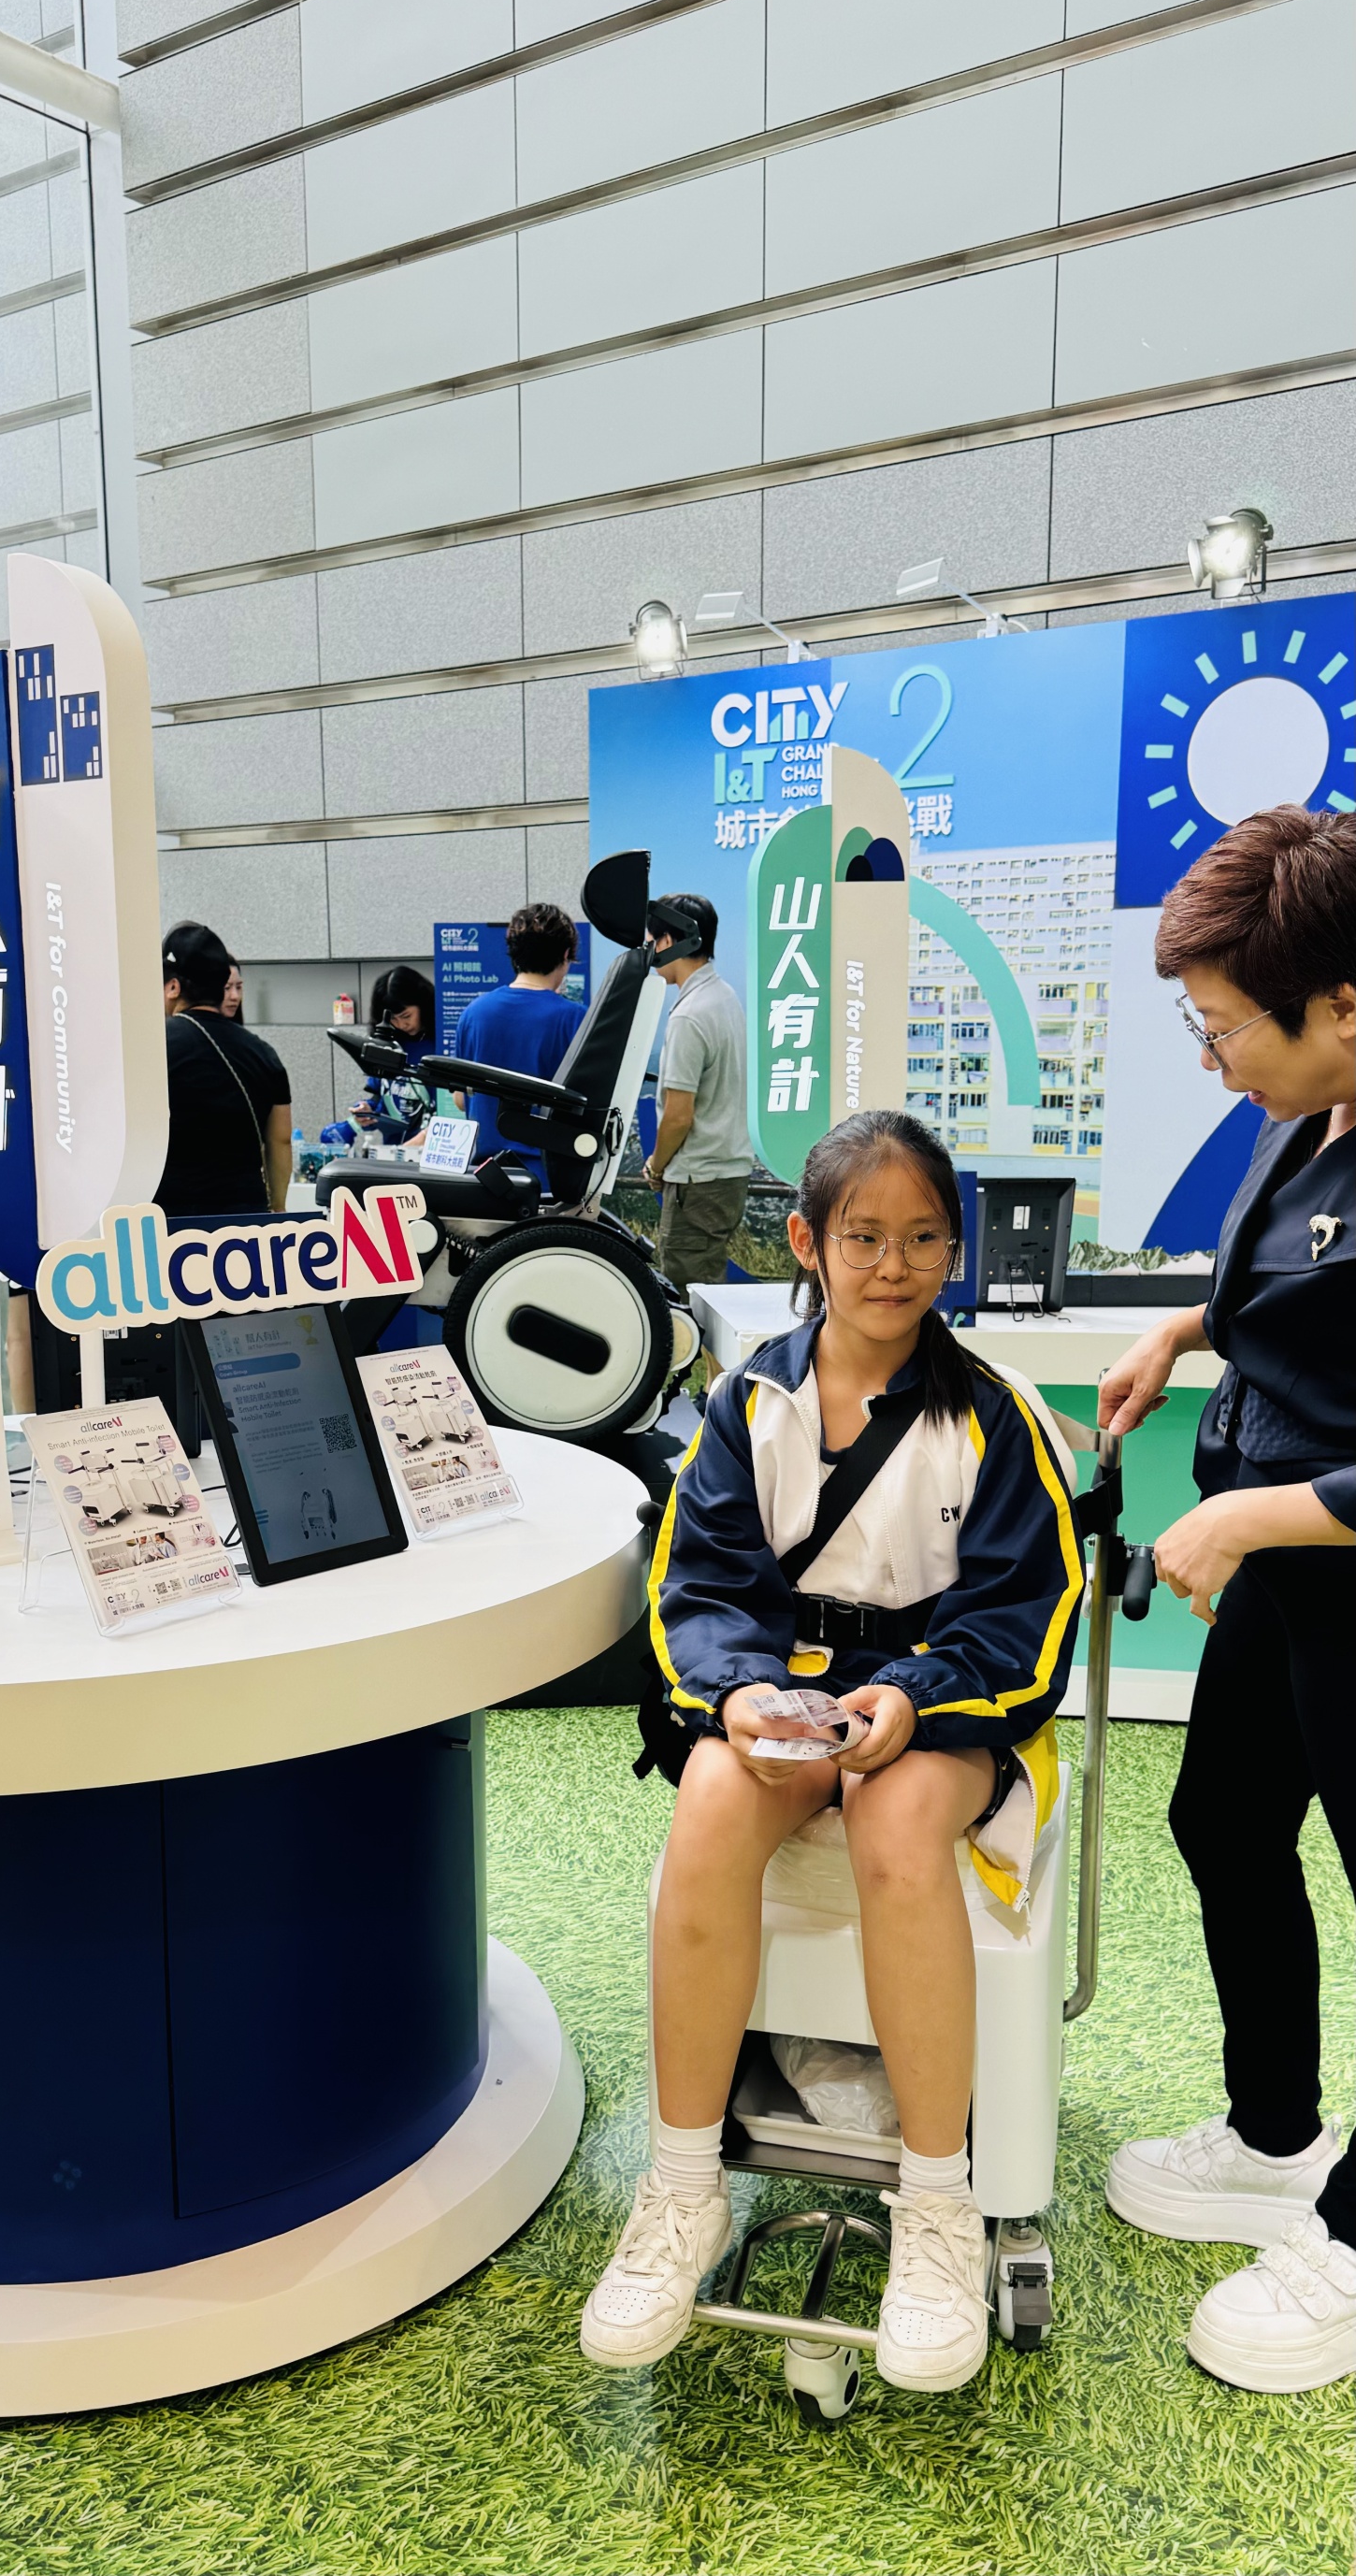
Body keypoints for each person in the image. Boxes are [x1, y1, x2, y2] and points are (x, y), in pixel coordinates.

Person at [581, 1110, 1082, 2393]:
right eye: (864, 1236)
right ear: (807, 1242)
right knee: (709, 1794)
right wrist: (743, 1697)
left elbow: (1023, 1616)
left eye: (923, 1238)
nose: (893, 1265)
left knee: (895, 1817)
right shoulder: (748, 1400)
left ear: (956, 1250)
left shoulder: (996, 1417)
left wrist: (911, 1697)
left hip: (946, 1705)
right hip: (790, 1689)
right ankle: (682, 2185)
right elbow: (699, 1584)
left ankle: (937, 2201)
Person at [1096, 803, 1356, 2396]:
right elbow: (1296, 1287)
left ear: (1345, 1004)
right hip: (1287, 1561)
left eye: (1225, 1030)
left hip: (1329, 1550)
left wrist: (1254, 1514)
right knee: (1226, 1820)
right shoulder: (1303, 1107)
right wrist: (1185, 1331)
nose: (1216, 1064)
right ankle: (1277, 2136)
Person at [644, 891, 752, 1293]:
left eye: (652, 941)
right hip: (725, 1175)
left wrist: (656, 1167)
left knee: (689, 1302)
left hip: (697, 1182)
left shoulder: (689, 1015)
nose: (650, 951)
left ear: (669, 941)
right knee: (709, 1294)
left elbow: (678, 1115)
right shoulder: (724, 997)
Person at [155, 922, 292, 1216]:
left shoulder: (154, 1046)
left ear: (174, 987)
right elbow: (280, 1140)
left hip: (172, 1219)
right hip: (247, 1219)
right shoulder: (263, 1053)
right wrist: (278, 1206)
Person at [452, 905, 584, 1181]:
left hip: (486, 1176)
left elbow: (461, 1100)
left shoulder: (473, 1014)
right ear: (565, 955)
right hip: (549, 1178)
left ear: (514, 952)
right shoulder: (576, 1019)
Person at [351, 966, 437, 1144]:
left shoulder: (442, 1044)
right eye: (393, 1020)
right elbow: (380, 1096)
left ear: (423, 1005)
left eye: (406, 1016)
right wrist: (367, 1111)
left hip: (433, 1149)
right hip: (395, 1151)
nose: (401, 1025)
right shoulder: (387, 1045)